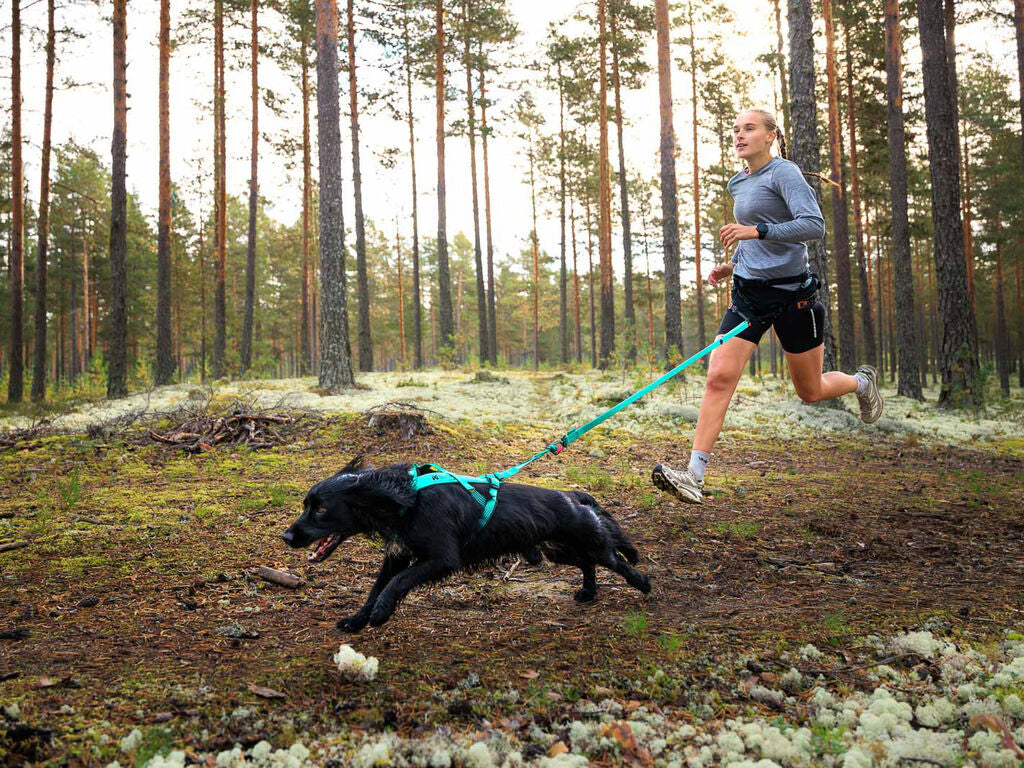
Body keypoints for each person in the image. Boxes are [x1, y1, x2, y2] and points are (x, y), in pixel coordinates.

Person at [652, 108, 883, 504]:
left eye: (749, 129)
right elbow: (754, 238)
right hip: (749, 296)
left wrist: (757, 230)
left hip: (794, 296)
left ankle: (861, 383)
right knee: (718, 377)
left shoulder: (785, 174)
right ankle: (694, 473)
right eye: (736, 129)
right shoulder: (737, 183)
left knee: (809, 390)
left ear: (770, 136)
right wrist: (735, 263)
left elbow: (813, 226)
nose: (740, 136)